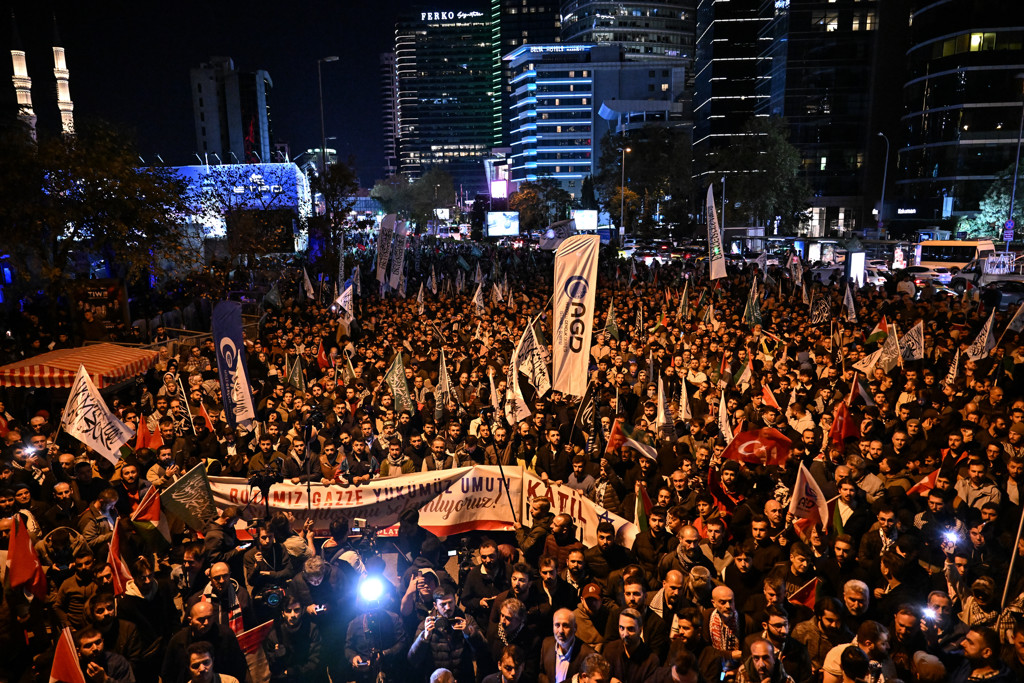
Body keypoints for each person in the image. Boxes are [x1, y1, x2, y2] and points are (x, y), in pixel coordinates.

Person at [409, 585, 486, 683]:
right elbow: (413, 659)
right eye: (443, 604)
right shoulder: (426, 625)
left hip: (464, 678)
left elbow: (483, 651)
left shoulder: (467, 620)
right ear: (435, 605)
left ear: (455, 601)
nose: (448, 607)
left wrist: (469, 633)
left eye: (450, 602)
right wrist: (424, 638)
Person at [602, 607, 659, 683]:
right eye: (621, 628)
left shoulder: (651, 661)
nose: (625, 634)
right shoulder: (610, 651)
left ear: (640, 630)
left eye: (630, 629)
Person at [539, 607, 595, 683]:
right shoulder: (546, 644)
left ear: (575, 627)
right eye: (557, 625)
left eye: (565, 625)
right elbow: (541, 673)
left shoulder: (588, 654)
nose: (561, 630)